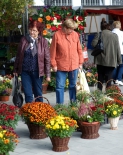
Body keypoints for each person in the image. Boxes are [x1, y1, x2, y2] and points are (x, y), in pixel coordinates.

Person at [13, 20, 50, 103]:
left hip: (37, 72)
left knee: (38, 93)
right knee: (28, 93)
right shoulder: (24, 40)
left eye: (34, 30)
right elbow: (19, 55)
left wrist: (48, 74)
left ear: (39, 31)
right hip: (25, 71)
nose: (32, 32)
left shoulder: (43, 42)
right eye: (30, 29)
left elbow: (47, 59)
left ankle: (39, 112)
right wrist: (15, 69)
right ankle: (29, 112)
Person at [50, 18, 84, 104]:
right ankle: (60, 106)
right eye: (70, 29)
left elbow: (79, 49)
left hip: (74, 65)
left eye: (73, 29)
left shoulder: (75, 34)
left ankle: (73, 105)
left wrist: (80, 62)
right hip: (61, 65)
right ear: (64, 27)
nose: (72, 31)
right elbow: (52, 51)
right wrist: (53, 64)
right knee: (60, 86)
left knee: (73, 86)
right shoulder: (57, 35)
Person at [93, 23, 122, 90]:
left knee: (100, 76)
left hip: (100, 60)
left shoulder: (99, 34)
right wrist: (119, 60)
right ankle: (108, 94)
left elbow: (93, 44)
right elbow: (118, 49)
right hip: (111, 60)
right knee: (109, 78)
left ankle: (99, 92)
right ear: (109, 27)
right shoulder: (114, 36)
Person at [112, 21, 123, 86]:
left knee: (114, 66)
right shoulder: (121, 33)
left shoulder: (111, 33)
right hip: (121, 51)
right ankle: (118, 79)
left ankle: (114, 79)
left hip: (113, 52)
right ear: (120, 26)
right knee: (121, 66)